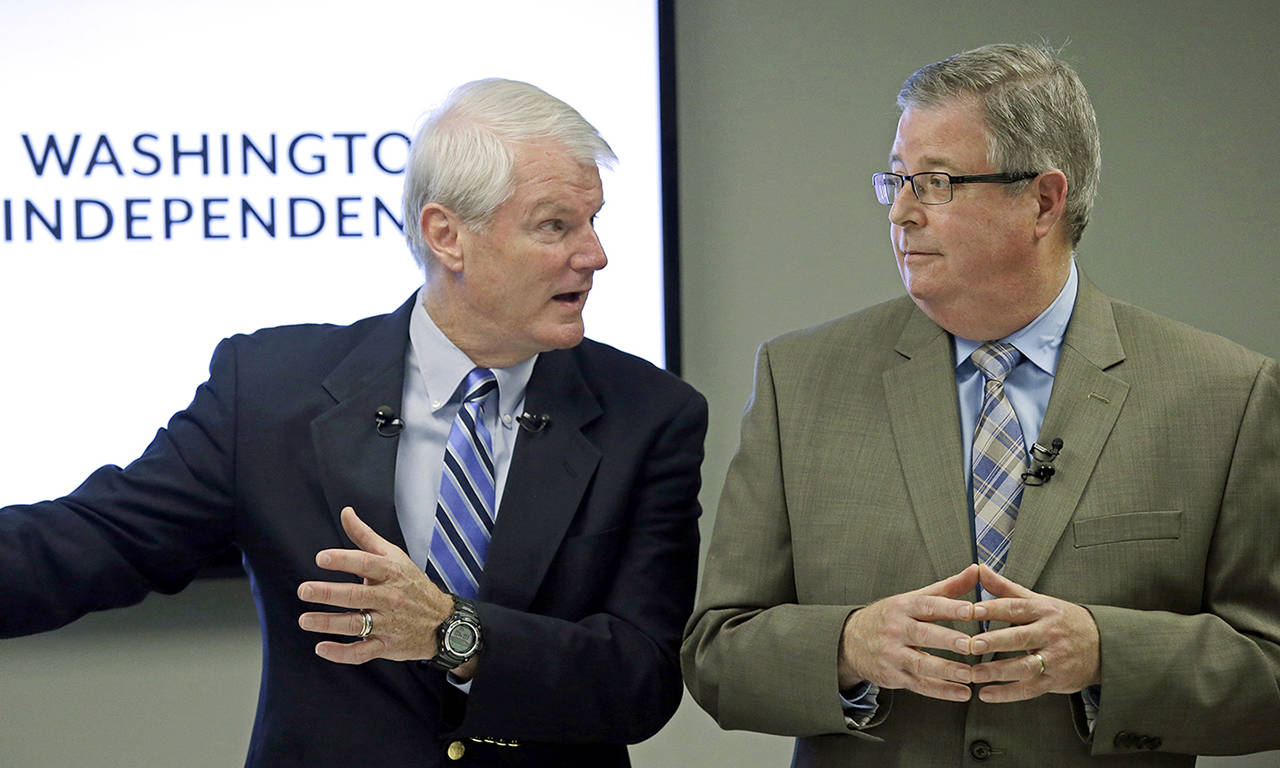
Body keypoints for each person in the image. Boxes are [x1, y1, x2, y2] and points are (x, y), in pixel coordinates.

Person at [0, 79, 707, 767]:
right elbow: (96, 540)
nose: (595, 254)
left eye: (594, 221)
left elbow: (640, 680)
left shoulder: (648, 415)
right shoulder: (270, 390)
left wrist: (451, 633)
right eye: (557, 225)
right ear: (446, 236)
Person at [682, 43, 1279, 766]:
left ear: (1043, 200)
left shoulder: (1223, 394)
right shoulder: (800, 379)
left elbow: (1268, 670)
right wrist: (848, 646)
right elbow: (717, 655)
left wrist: (1106, 655)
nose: (901, 212)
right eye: (897, 180)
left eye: (935, 182)